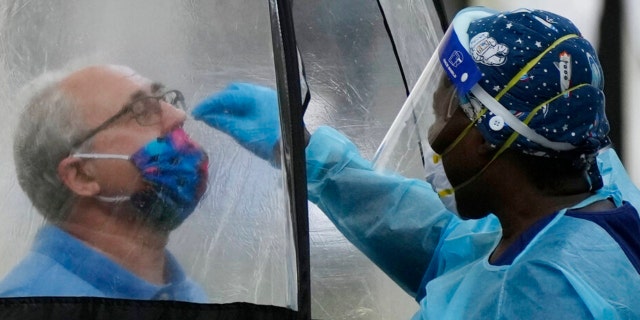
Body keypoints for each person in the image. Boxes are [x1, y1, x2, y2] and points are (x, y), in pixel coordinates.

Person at [191, 6, 640, 319]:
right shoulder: (574, 206)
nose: (431, 135)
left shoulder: (547, 294)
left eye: (443, 113)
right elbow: (448, 246)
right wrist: (310, 154)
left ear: (488, 136)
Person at [0, 64, 209, 302]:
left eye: (166, 99)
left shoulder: (184, 293)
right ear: (81, 175)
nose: (178, 115)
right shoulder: (33, 307)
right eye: (142, 110)